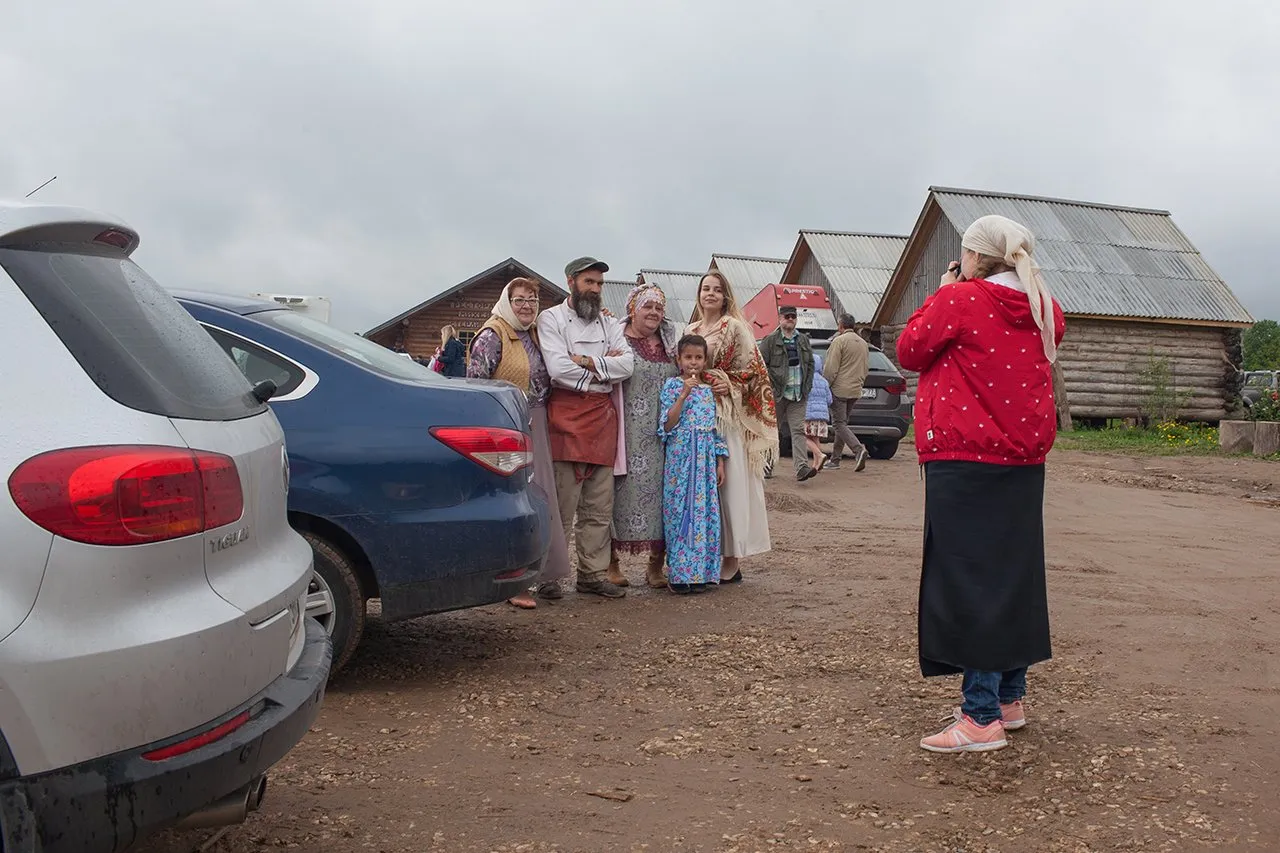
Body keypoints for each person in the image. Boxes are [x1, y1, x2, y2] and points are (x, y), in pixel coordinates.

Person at [898, 214, 1066, 754]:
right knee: (1011, 573)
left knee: (968, 579)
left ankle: (979, 716)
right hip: (1023, 457)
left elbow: (909, 351)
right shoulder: (1043, 305)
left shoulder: (961, 299)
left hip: (965, 453)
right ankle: (1009, 698)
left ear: (973, 256)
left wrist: (945, 291)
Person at [467, 277, 572, 609]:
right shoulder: (492, 335)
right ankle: (514, 580)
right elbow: (475, 386)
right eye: (519, 300)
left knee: (541, 495)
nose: (526, 306)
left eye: (532, 301)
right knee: (516, 498)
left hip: (537, 421)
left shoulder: (536, 334)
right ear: (506, 301)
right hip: (505, 425)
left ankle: (544, 573)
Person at [538, 256, 635, 599]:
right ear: (571, 282)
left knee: (598, 507)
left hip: (602, 420)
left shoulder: (608, 324)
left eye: (599, 284)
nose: (595, 289)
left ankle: (591, 576)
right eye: (589, 282)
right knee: (562, 505)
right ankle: (549, 576)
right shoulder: (550, 319)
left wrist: (587, 361)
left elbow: (628, 363)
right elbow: (557, 370)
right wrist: (602, 370)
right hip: (566, 417)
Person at [685, 271, 776, 582]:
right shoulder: (691, 329)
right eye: (705, 289)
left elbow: (754, 372)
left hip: (726, 415)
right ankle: (704, 552)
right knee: (700, 487)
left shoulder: (734, 328)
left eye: (717, 290)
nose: (710, 294)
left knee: (729, 485)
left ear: (726, 296)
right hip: (696, 415)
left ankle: (731, 557)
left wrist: (730, 386)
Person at [607, 283, 681, 590]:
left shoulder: (670, 344)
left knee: (664, 499)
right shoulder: (617, 340)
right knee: (616, 496)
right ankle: (611, 564)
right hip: (626, 432)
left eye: (658, 308)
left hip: (663, 436)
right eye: (647, 306)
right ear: (632, 310)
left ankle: (655, 566)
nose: (653, 313)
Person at [659, 334, 728, 594]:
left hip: (706, 461)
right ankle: (679, 575)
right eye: (688, 357)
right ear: (679, 359)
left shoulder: (710, 391)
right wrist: (684, 394)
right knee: (680, 512)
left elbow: (716, 429)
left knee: (705, 513)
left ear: (705, 360)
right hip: (681, 458)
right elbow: (666, 424)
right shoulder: (672, 386)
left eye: (698, 358)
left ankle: (701, 574)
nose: (693, 363)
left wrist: (720, 461)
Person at [759, 305, 816, 481]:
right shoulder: (770, 340)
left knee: (798, 430)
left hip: (798, 394)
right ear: (780, 318)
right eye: (787, 316)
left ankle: (801, 468)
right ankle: (766, 467)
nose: (790, 319)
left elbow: (811, 364)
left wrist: (807, 386)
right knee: (772, 431)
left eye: (793, 316)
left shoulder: (803, 340)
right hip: (777, 394)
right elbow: (761, 365)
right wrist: (771, 387)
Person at [823, 313, 870, 471]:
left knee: (838, 424)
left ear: (840, 326)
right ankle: (835, 459)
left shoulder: (839, 341)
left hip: (839, 389)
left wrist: (826, 385)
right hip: (855, 389)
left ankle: (858, 449)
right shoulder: (863, 343)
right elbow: (865, 367)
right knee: (842, 424)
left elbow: (831, 368)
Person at [804, 353, 834, 473]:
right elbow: (829, 400)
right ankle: (817, 465)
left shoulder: (806, 380)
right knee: (816, 438)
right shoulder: (824, 381)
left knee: (802, 436)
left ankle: (819, 455)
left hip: (808, 414)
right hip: (822, 416)